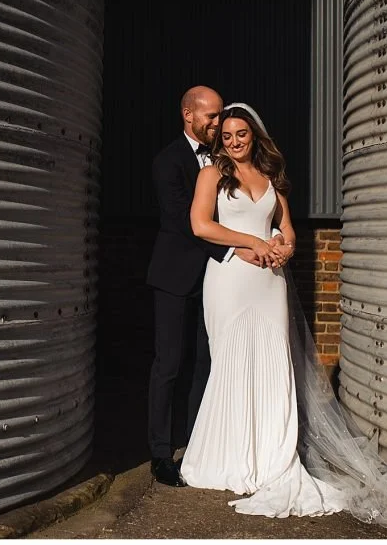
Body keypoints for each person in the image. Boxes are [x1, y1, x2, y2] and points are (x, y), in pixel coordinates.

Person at [180, 103, 387, 527]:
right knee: (233, 363)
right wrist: (251, 242)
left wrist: (283, 247)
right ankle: (228, 456)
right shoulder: (211, 174)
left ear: (255, 136)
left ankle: (273, 453)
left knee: (273, 364)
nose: (233, 141)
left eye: (241, 134)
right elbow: (200, 225)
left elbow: (286, 229)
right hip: (231, 280)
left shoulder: (271, 177)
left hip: (270, 282)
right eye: (227, 135)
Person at [145, 87, 288, 487]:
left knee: (208, 365)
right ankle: (160, 453)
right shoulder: (168, 162)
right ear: (188, 114)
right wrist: (237, 249)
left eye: (219, 117)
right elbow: (183, 223)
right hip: (178, 276)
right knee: (169, 365)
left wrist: (269, 239)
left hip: (220, 282)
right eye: (210, 117)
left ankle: (199, 443)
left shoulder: (227, 160)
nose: (216, 123)